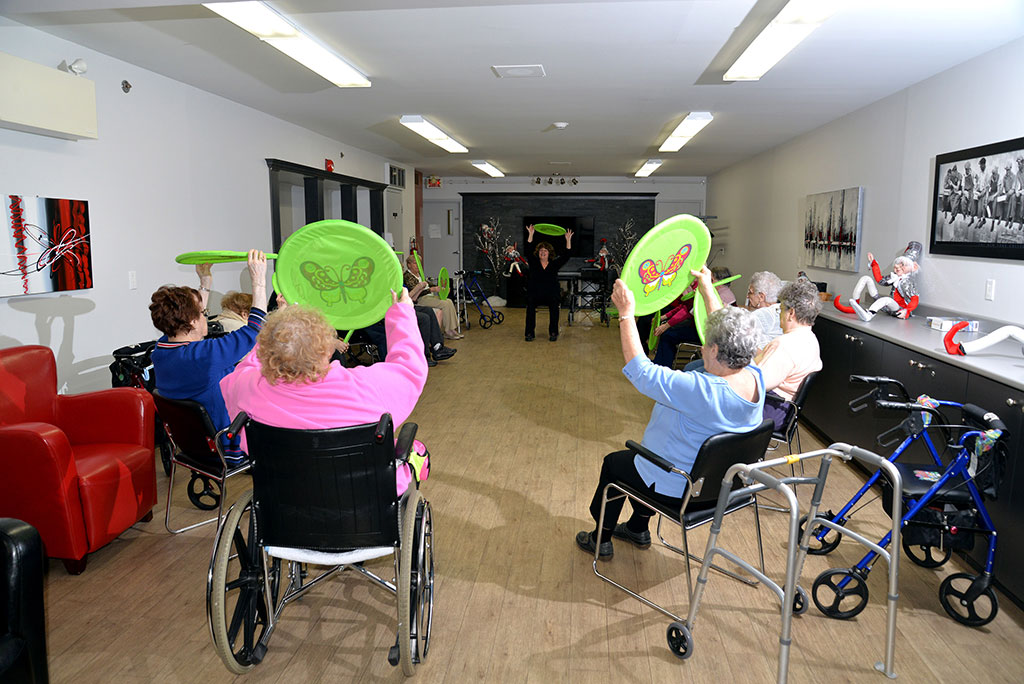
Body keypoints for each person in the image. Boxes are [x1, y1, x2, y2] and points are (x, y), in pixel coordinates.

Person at [575, 277, 764, 559]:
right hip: (719, 488)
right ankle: (638, 527)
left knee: (617, 464)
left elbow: (641, 372)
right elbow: (720, 329)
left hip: (679, 487)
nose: (702, 346)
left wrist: (626, 314)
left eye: (707, 344)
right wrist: (706, 288)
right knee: (650, 462)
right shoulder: (755, 376)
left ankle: (599, 538)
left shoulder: (701, 390)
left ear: (715, 350)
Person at [220, 289, 428, 494]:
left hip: (288, 495)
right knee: (417, 453)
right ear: (329, 350)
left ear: (267, 350)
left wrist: (275, 333)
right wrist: (402, 314)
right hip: (362, 494)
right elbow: (410, 368)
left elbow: (246, 367)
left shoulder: (248, 388)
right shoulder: (365, 387)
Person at [149, 250, 268, 464]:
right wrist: (258, 281)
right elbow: (254, 329)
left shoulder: (161, 350)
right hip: (228, 446)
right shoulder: (205, 356)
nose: (206, 315)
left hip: (195, 446)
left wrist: (205, 282)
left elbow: (188, 317)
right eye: (203, 312)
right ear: (193, 321)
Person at [752, 279, 823, 431]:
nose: (779, 315)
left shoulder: (785, 344)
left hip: (770, 410)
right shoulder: (811, 340)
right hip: (786, 410)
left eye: (781, 309)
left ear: (791, 313)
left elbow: (758, 384)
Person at [834, 241, 921, 321]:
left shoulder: (907, 282)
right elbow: (880, 280)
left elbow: (915, 299)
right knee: (866, 278)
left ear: (914, 267)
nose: (898, 267)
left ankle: (869, 315)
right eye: (898, 264)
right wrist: (873, 263)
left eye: (903, 265)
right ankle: (855, 305)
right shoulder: (894, 277)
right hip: (888, 308)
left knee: (887, 299)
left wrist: (907, 311)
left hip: (900, 310)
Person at [524, 225, 573, 341]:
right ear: (538, 252)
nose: (543, 252)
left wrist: (568, 240)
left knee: (555, 307)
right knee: (530, 306)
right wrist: (531, 234)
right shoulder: (534, 262)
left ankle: (553, 333)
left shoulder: (554, 264)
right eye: (541, 250)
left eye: (545, 250)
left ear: (549, 253)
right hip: (535, 293)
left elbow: (567, 255)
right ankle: (529, 333)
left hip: (551, 294)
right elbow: (528, 249)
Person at [403, 254, 462, 339]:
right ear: (409, 265)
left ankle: (451, 329)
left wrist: (441, 288)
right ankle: (448, 331)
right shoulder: (408, 276)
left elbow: (429, 284)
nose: (418, 265)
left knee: (448, 301)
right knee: (444, 304)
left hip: (428, 296)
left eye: (419, 263)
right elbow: (415, 292)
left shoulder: (419, 275)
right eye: (415, 263)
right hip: (420, 299)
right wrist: (431, 290)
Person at [745, 271, 784, 343]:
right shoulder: (782, 310)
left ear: (761, 297)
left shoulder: (761, 315)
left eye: (750, 292)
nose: (747, 296)